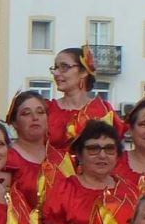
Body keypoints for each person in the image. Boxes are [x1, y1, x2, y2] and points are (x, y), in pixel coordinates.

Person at [39, 121, 137, 224]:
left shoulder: (131, 190)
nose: (102, 155)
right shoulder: (64, 190)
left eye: (109, 149)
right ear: (79, 154)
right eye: (93, 149)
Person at [45, 47, 122, 180]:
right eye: (55, 68)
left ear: (83, 72)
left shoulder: (103, 110)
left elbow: (114, 152)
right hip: (52, 181)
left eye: (64, 67)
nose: (56, 73)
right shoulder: (47, 109)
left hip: (94, 182)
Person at [4, 89, 53, 211]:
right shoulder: (7, 159)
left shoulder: (60, 158)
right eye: (26, 113)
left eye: (40, 112)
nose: (35, 117)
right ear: (14, 122)